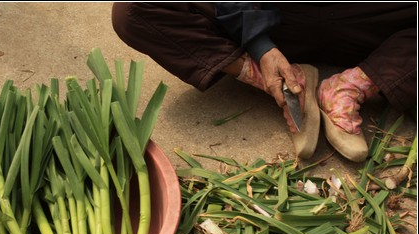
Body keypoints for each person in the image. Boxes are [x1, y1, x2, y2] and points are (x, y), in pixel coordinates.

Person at [111, 2, 417, 162]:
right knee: (135, 9)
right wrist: (260, 46)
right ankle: (279, 81)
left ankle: (351, 86)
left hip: (374, 21)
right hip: (277, 17)